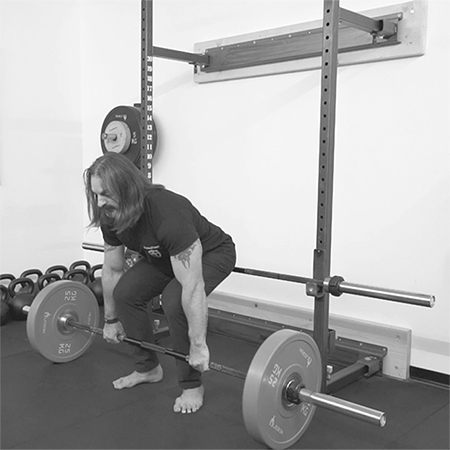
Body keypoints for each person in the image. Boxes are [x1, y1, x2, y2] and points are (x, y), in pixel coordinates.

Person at [84, 153, 236, 414]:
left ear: (126, 186)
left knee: (175, 300)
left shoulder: (167, 212)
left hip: (212, 253)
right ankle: (148, 368)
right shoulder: (110, 214)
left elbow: (193, 287)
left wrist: (199, 346)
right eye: (95, 194)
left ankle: (192, 384)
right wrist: (110, 320)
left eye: (105, 193)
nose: (99, 202)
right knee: (126, 294)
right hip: (163, 256)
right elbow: (112, 268)